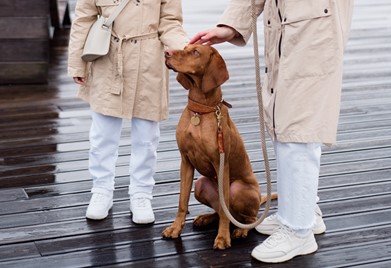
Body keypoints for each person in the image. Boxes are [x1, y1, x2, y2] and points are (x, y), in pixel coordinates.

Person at [190, 0, 353, 263]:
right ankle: (303, 213)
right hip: (288, 24)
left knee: (299, 123)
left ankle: (298, 231)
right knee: (283, 119)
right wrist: (231, 25)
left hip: (313, 24)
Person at [67, 0, 188, 224]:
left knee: (146, 136)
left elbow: (170, 22)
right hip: (107, 57)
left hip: (149, 61)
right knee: (102, 135)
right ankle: (101, 189)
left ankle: (141, 193)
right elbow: (83, 19)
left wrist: (185, 48)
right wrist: (77, 63)